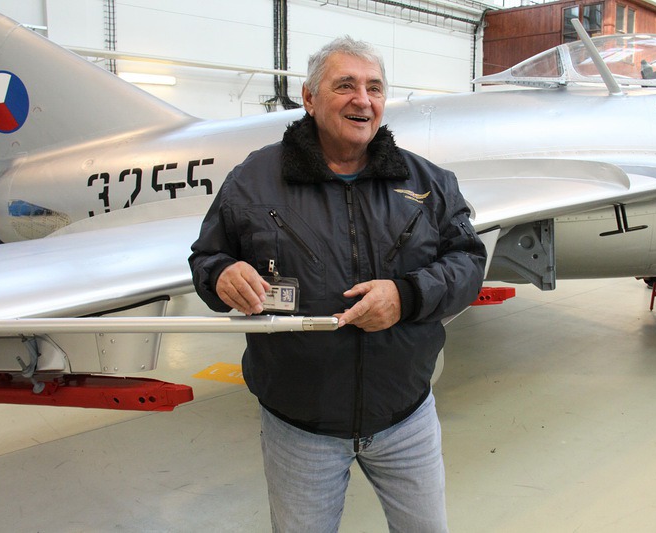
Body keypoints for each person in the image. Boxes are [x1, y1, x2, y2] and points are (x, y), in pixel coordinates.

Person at [188, 36, 487, 532]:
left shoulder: (428, 182)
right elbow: (207, 257)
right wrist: (221, 275)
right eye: (345, 85)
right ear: (309, 98)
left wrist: (406, 296)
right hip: (300, 429)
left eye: (374, 88)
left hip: (406, 417)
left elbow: (468, 262)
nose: (362, 100)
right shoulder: (253, 180)